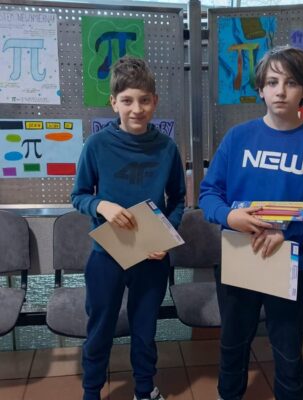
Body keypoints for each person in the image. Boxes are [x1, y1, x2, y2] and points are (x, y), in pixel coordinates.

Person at [199, 46, 303, 400]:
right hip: (240, 259)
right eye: (272, 82)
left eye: (291, 82)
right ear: (260, 89)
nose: (280, 91)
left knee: (288, 349)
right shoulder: (238, 138)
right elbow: (208, 194)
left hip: (292, 264)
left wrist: (289, 231)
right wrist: (228, 216)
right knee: (233, 344)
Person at [71, 55, 186, 400]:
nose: (137, 109)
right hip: (106, 255)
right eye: (127, 100)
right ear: (114, 103)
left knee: (145, 330)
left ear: (155, 101)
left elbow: (178, 199)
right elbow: (79, 195)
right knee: (100, 329)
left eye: (144, 100)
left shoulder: (166, 148)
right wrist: (100, 205)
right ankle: (91, 392)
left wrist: (167, 237)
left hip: (151, 256)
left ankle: (144, 390)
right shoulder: (96, 145)